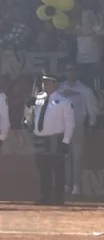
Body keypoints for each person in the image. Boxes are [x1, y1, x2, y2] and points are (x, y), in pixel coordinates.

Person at [25, 74, 75, 205]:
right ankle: (45, 195)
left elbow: (69, 123)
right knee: (43, 168)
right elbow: (31, 115)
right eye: (43, 82)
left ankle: (58, 196)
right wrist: (28, 106)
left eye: (48, 82)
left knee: (58, 169)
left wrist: (66, 141)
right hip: (40, 138)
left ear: (55, 84)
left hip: (56, 138)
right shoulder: (38, 98)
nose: (44, 85)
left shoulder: (63, 101)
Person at [58, 63, 98, 197]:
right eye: (68, 70)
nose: (70, 73)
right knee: (65, 157)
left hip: (78, 126)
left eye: (73, 70)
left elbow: (92, 109)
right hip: (62, 127)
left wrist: (92, 124)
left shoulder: (85, 90)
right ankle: (65, 184)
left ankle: (76, 185)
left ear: (77, 73)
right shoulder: (59, 89)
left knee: (77, 156)